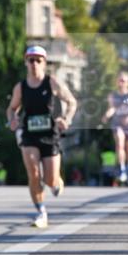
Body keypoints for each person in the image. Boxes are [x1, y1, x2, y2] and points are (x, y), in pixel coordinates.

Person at [6, 45, 77, 229]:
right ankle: (40, 212)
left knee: (50, 180)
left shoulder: (51, 82)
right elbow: (12, 108)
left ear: (44, 63)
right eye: (31, 60)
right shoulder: (20, 87)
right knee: (34, 174)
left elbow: (71, 102)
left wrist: (66, 119)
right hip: (29, 134)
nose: (34, 64)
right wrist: (12, 120)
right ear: (26, 63)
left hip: (49, 135)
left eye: (39, 60)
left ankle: (56, 182)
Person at [102, 71, 128, 184]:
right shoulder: (112, 95)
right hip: (118, 123)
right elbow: (112, 108)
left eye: (123, 81)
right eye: (119, 80)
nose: (121, 83)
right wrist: (107, 115)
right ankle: (121, 169)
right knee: (120, 144)